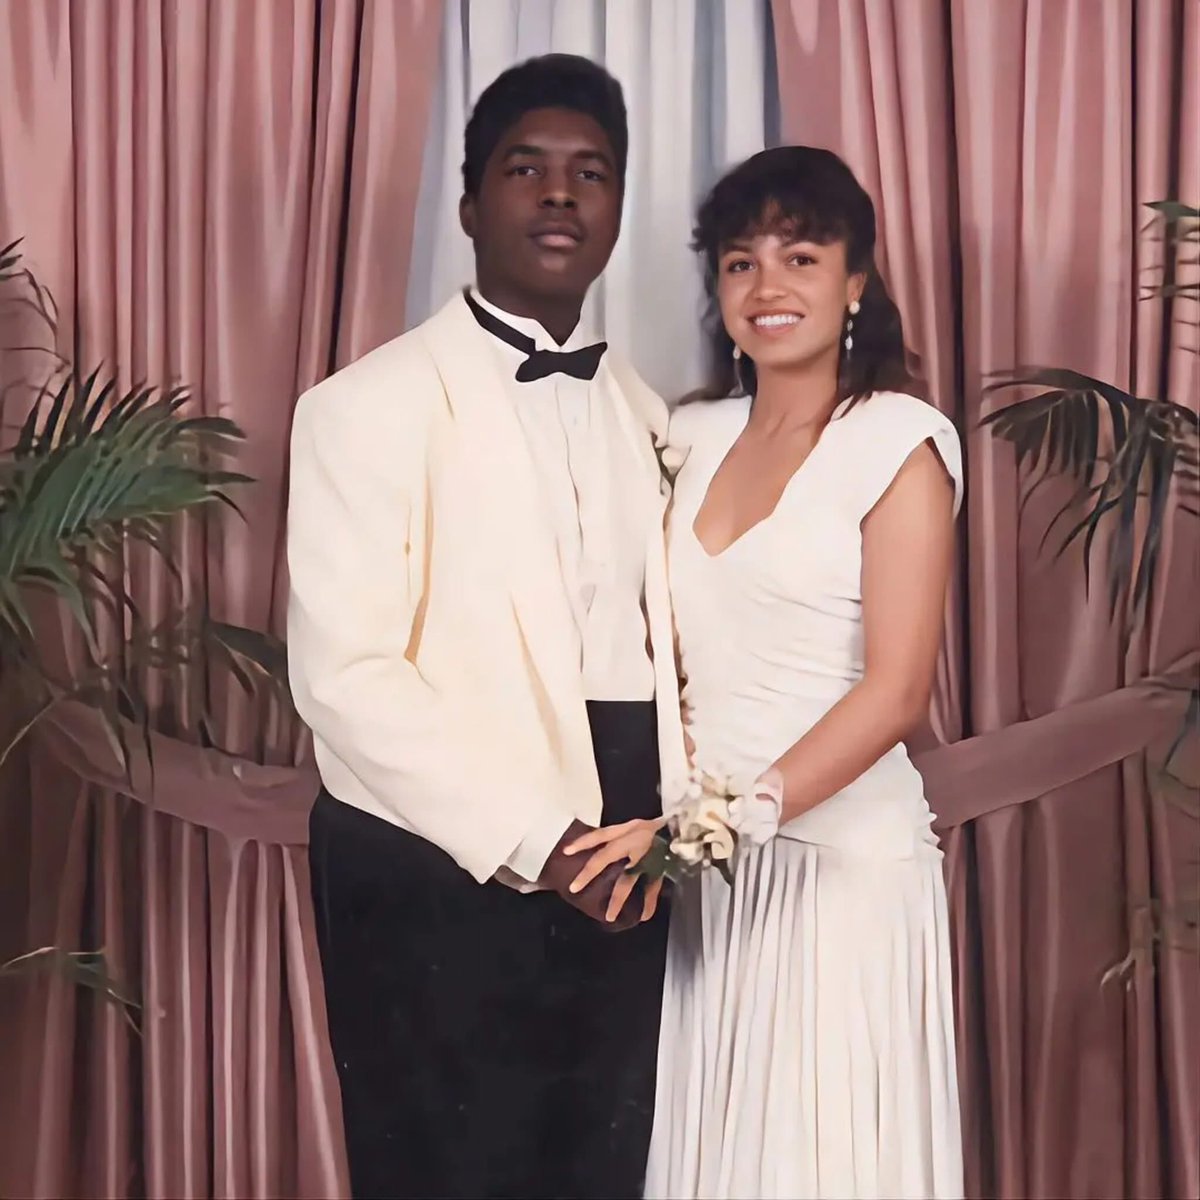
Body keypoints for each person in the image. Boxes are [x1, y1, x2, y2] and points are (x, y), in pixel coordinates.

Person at [285, 54, 687, 1200]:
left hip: (626, 836)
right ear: (469, 204)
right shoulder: (363, 406)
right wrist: (541, 843)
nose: (561, 195)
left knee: (606, 1168)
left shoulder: (649, 413)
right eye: (528, 168)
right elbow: (344, 676)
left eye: (591, 173)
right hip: (435, 849)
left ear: (615, 210)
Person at [566, 146, 965, 1198]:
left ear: (857, 281)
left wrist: (720, 824)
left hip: (837, 871)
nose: (768, 285)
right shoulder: (685, 435)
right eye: (740, 263)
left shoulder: (899, 441)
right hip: (706, 881)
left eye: (800, 254)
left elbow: (896, 691)